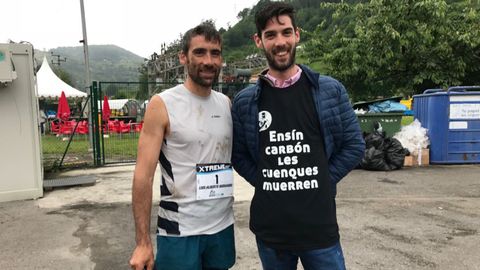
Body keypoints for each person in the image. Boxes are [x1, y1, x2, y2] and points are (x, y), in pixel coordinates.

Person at [231, 2, 365, 270]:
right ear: (259, 40)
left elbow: (354, 145)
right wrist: (265, 180)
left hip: (319, 228)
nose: (280, 42)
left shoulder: (328, 90)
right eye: (270, 35)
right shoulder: (246, 101)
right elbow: (238, 154)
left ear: (297, 35)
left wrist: (323, 180)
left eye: (286, 32)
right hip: (271, 232)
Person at [129, 22, 235, 270]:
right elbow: (143, 176)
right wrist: (142, 242)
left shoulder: (226, 104)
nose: (208, 61)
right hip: (179, 231)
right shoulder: (162, 104)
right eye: (199, 52)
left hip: (222, 227)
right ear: (183, 57)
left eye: (215, 53)